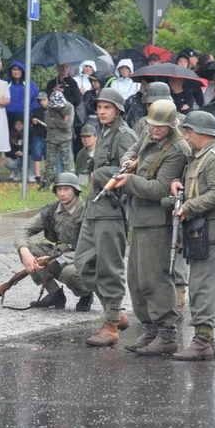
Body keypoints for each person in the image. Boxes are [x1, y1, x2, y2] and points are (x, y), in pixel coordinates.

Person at [113, 99, 189, 356]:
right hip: (140, 217)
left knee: (154, 278)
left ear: (171, 125)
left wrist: (129, 180)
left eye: (160, 127)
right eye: (151, 125)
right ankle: (150, 328)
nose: (154, 130)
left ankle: (166, 332)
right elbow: (132, 151)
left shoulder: (177, 149)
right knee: (135, 278)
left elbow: (158, 188)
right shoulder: (148, 132)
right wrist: (128, 163)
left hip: (159, 219)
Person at [170, 111, 215, 362]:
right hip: (199, 229)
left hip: (214, 230)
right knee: (197, 285)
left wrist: (189, 207)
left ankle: (202, 340)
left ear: (203, 134)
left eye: (189, 132)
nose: (185, 136)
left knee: (204, 287)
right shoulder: (198, 157)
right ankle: (206, 342)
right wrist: (176, 182)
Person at [74, 88, 137, 346]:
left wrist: (97, 175)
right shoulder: (105, 131)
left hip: (111, 210)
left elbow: (130, 166)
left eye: (107, 107)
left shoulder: (125, 135)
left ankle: (111, 325)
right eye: (99, 106)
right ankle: (116, 313)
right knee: (82, 263)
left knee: (109, 268)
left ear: (118, 110)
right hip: (94, 209)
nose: (101, 111)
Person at [15, 172, 94, 310]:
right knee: (29, 248)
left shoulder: (87, 211)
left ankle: (86, 293)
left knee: (71, 273)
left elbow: (94, 247)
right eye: (59, 189)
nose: (62, 193)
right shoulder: (52, 209)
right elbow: (23, 230)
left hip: (80, 257)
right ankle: (55, 293)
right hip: (57, 254)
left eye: (66, 189)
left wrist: (59, 260)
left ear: (75, 190)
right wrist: (25, 251)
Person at [42, 88, 74, 188]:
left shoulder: (69, 107)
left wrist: (55, 120)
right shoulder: (50, 108)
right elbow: (48, 122)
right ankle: (46, 182)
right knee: (49, 162)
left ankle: (67, 183)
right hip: (52, 137)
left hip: (65, 138)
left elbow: (67, 124)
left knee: (66, 162)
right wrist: (59, 122)